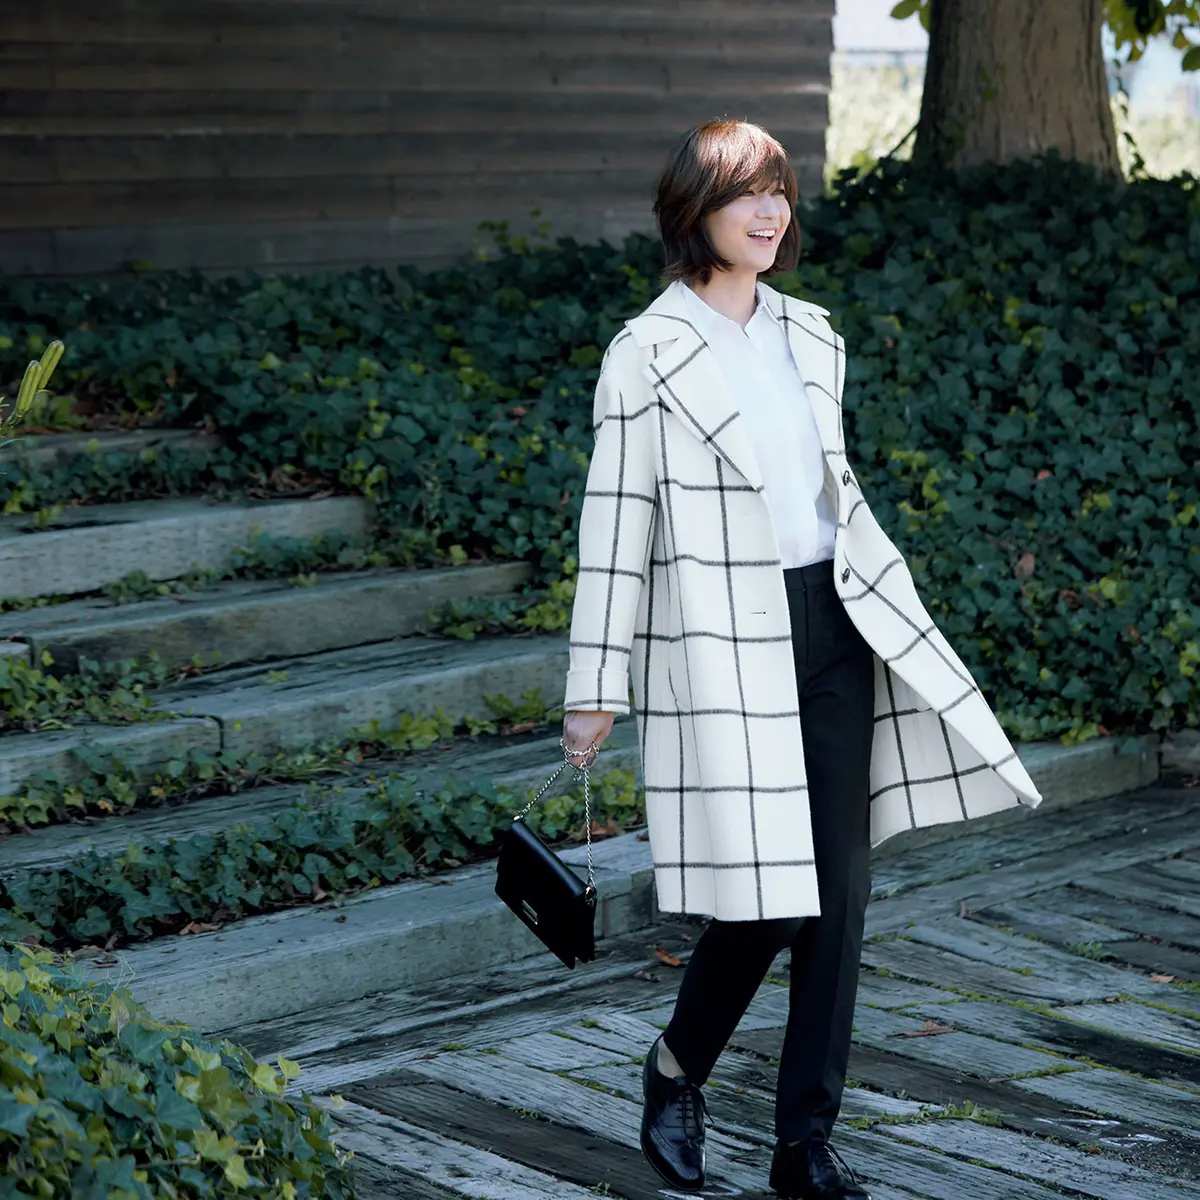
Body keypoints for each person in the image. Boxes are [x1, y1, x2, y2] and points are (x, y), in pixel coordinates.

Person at [560, 119, 1042, 1200]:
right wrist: (595, 684)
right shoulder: (645, 354)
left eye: (779, 191)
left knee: (840, 895)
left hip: (835, 619)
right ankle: (676, 1067)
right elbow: (615, 524)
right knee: (771, 896)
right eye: (747, 194)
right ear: (696, 212)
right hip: (724, 640)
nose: (771, 212)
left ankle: (803, 1145)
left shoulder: (811, 335)